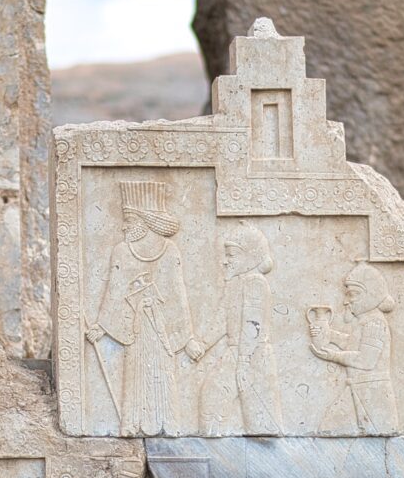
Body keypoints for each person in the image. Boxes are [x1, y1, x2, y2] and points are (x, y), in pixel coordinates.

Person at [85, 180, 196, 436]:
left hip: (161, 328)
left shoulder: (170, 251)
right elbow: (113, 292)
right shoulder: (121, 252)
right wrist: (102, 326)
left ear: (146, 222)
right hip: (134, 328)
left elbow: (178, 296)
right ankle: (133, 423)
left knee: (163, 373)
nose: (124, 226)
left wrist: (187, 338)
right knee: (136, 373)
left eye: (130, 221)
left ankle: (168, 424)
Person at [187, 221, 284, 435]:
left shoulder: (255, 283)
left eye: (231, 255)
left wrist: (244, 363)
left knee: (260, 418)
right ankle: (213, 442)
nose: (225, 261)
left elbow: (252, 326)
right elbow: (222, 318)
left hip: (252, 355)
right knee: (212, 396)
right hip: (237, 353)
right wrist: (203, 344)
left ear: (250, 257)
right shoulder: (235, 284)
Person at [309, 261, 398, 435]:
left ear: (371, 295)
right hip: (358, 390)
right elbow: (354, 343)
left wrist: (332, 355)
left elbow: (366, 360)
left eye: (352, 295)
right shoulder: (366, 321)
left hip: (373, 397)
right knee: (327, 429)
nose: (346, 301)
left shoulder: (375, 322)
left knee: (329, 430)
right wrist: (330, 335)